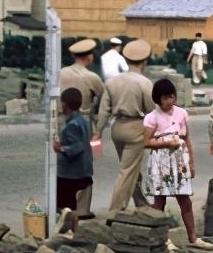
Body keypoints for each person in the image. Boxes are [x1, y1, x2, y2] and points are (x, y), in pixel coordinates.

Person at [142, 78, 210, 250]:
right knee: (160, 200)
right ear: (158, 99)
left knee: (185, 199)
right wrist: (166, 144)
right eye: (165, 98)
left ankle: (193, 237)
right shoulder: (152, 118)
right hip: (160, 160)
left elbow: (187, 138)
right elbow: (146, 142)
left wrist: (191, 163)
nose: (170, 101)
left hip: (179, 159)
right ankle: (164, 239)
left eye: (172, 97)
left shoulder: (180, 113)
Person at [93, 39, 155, 211]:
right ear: (144, 61)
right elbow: (152, 110)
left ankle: (140, 201)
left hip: (117, 127)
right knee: (127, 171)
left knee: (130, 167)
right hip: (135, 127)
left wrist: (98, 131)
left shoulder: (113, 81)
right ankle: (115, 211)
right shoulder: (144, 83)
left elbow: (104, 109)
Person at [53, 87, 93, 221]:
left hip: (70, 174)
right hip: (84, 169)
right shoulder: (84, 121)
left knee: (65, 207)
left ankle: (67, 229)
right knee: (74, 207)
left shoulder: (71, 126)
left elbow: (77, 147)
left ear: (64, 104)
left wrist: (61, 149)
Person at [59, 38, 104, 134]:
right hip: (83, 120)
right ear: (89, 57)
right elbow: (103, 97)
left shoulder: (62, 72)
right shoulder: (92, 77)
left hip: (62, 119)